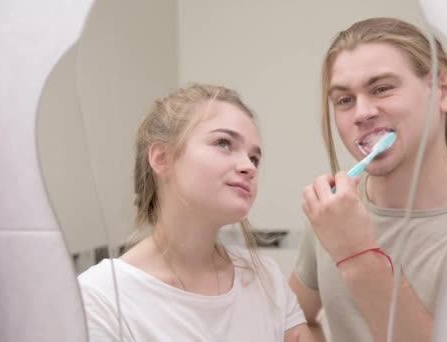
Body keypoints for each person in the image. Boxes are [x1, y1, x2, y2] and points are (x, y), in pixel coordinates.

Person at [289, 17, 447, 342]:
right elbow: (291, 320)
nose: (361, 113)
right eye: (344, 100)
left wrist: (357, 253)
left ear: (444, 92)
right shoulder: (336, 210)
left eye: (382, 89)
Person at [78, 84, 313, 341]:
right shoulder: (101, 298)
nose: (249, 167)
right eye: (223, 143)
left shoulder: (265, 279)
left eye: (254, 158)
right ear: (161, 158)